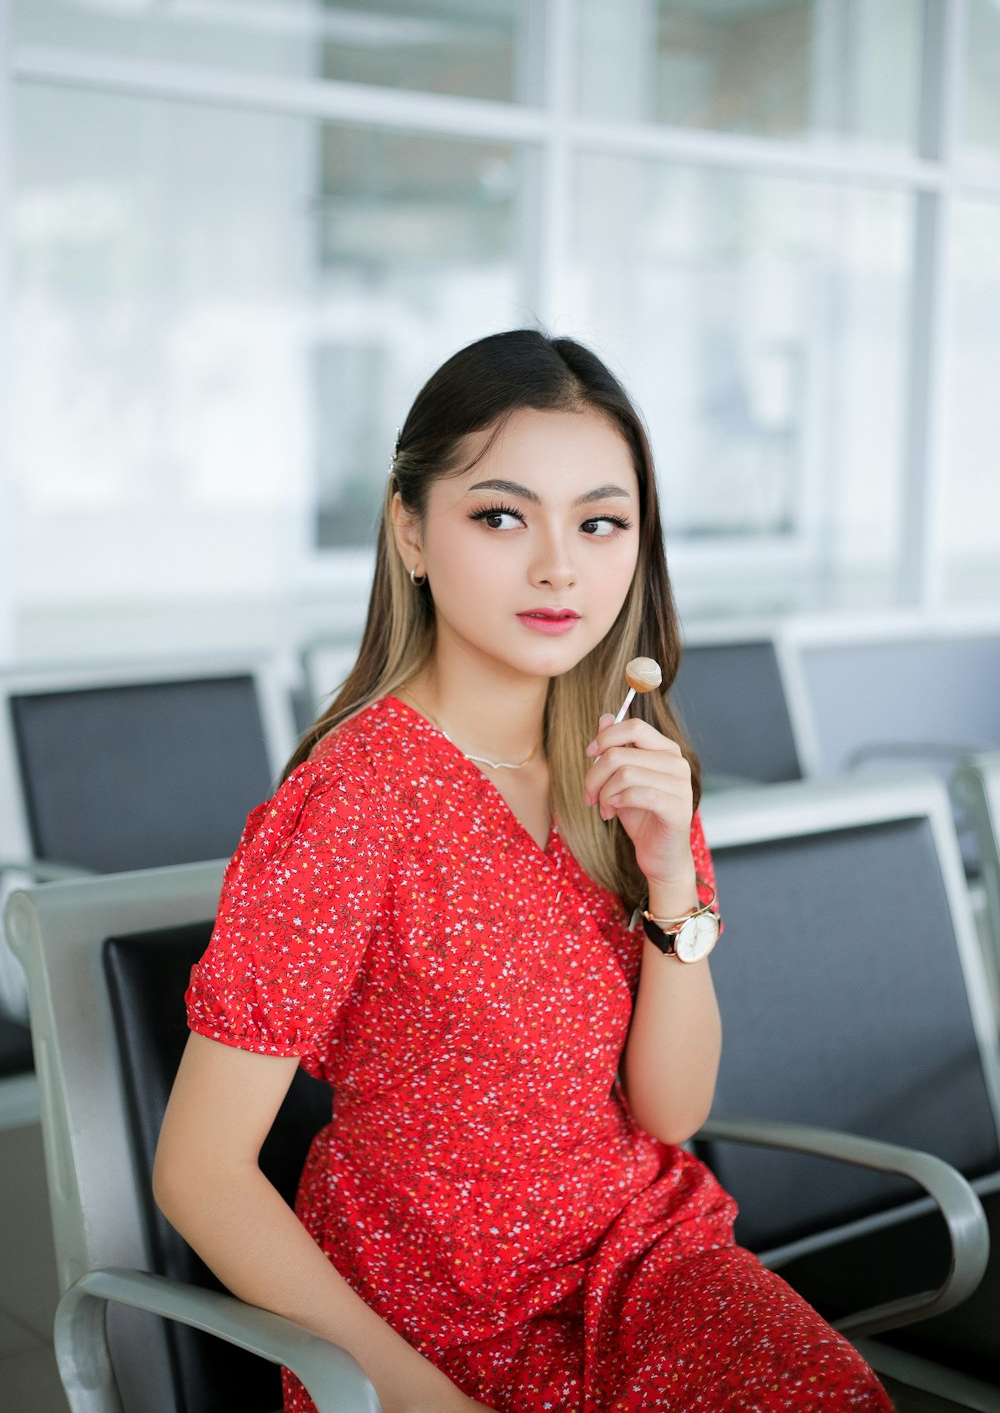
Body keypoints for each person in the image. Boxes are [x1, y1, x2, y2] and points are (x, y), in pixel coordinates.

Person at [154, 329, 895, 1412]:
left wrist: (668, 881)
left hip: (644, 1266)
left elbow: (670, 1112)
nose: (559, 566)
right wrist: (417, 1398)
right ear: (410, 532)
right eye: (501, 517)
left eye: (600, 523)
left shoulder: (632, 766)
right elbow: (202, 1173)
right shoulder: (356, 798)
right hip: (429, 1314)